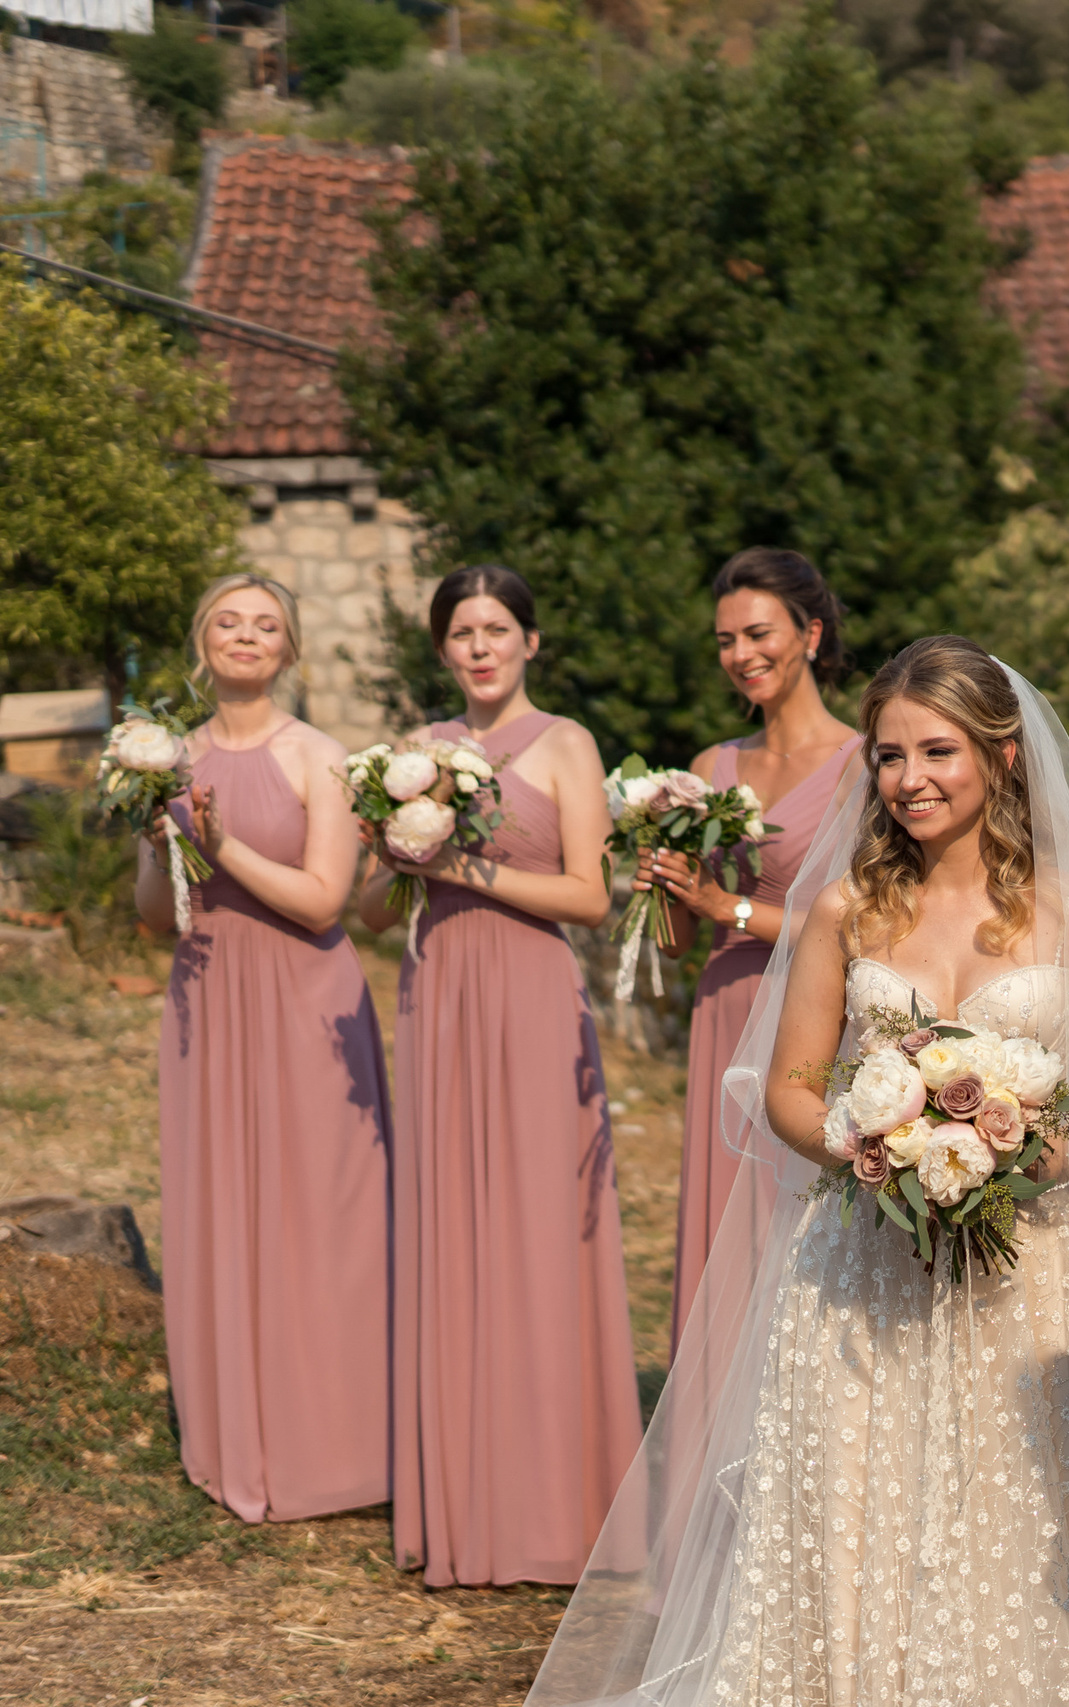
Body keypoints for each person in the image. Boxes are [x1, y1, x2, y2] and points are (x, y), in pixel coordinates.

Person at [525, 636, 1069, 1707]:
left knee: (1021, 1530)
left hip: (1036, 1280)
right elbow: (791, 1085)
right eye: (888, 755)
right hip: (867, 1268)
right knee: (862, 1519)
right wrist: (879, 1147)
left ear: (1002, 755)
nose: (909, 778)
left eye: (937, 751)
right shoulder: (846, 907)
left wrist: (1008, 1158)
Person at [357, 564, 640, 1588]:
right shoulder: (415, 752)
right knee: (451, 1226)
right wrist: (394, 853)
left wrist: (463, 865)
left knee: (538, 1222)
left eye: (496, 629)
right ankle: (462, 1497)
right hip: (438, 992)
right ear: (443, 650)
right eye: (462, 632)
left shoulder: (565, 743)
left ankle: (554, 1505)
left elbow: (591, 896)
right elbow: (375, 908)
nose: (479, 647)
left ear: (530, 640)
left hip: (530, 995)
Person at [138, 572, 391, 1525]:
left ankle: (337, 1444)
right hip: (206, 994)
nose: (246, 636)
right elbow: (154, 914)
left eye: (266, 625)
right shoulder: (168, 761)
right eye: (228, 622)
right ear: (202, 641)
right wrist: (156, 840)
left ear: (289, 650)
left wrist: (222, 843)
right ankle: (236, 1431)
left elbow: (327, 900)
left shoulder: (318, 755)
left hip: (306, 999)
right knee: (221, 1203)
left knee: (322, 1210)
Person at [634, 547, 858, 1355]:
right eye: (726, 640)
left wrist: (725, 903)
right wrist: (664, 886)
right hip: (725, 1007)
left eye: (759, 633)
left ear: (811, 634)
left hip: (817, 1018)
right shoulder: (709, 768)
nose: (741, 654)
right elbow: (677, 942)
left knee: (800, 1219)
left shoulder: (863, 761)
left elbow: (870, 922)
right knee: (727, 1218)